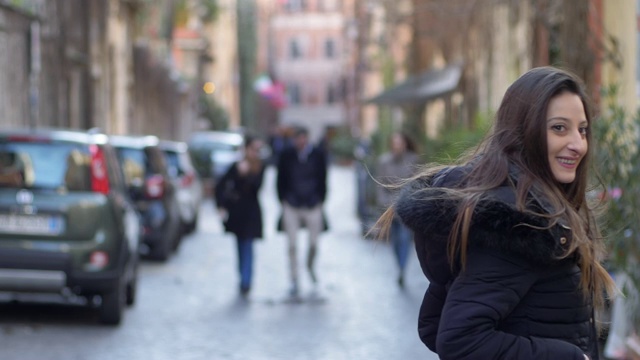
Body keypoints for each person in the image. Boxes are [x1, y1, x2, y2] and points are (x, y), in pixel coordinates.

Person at [377, 66, 616, 359]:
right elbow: (460, 340)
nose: (578, 144)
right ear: (523, 131)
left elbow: (435, 326)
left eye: (582, 130)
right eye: (559, 128)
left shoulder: (535, 210)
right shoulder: (519, 224)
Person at [277, 126, 328, 296]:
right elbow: (280, 180)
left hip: (312, 203)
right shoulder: (286, 155)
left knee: (314, 244)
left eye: (303, 138)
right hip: (292, 204)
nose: (301, 142)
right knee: (292, 245)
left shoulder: (318, 155)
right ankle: (294, 278)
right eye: (298, 138)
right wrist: (284, 200)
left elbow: (323, 178)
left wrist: (320, 199)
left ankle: (310, 266)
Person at [215, 135, 266, 297]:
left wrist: (246, 175)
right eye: (253, 149)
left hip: (251, 213)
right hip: (237, 213)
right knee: (239, 246)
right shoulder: (235, 166)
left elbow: (256, 187)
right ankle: (242, 277)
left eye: (258, 150)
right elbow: (221, 185)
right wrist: (221, 206)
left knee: (248, 246)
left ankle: (246, 281)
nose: (255, 153)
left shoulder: (259, 167)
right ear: (246, 149)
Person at [375, 132, 419, 287]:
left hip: (406, 206)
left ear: (405, 144)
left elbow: (416, 184)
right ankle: (399, 266)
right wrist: (386, 204)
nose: (397, 146)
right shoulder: (384, 161)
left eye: (400, 143)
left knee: (405, 239)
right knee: (394, 241)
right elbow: (380, 185)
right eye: (395, 143)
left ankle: (402, 269)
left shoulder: (413, 160)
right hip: (389, 208)